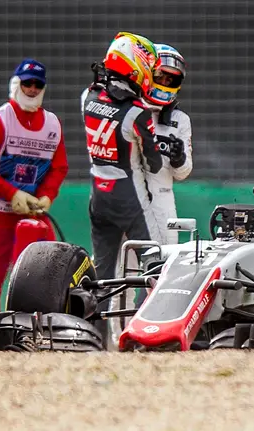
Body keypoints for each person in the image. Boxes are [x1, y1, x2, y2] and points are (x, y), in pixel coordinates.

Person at [0, 58, 69, 349]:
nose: (33, 89)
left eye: (38, 84)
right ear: (17, 84)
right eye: (28, 83)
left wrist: (48, 194)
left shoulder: (52, 123)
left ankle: (42, 333)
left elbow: (59, 167)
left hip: (33, 216)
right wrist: (10, 194)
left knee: (43, 274)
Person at [82, 32, 163, 344]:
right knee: (153, 263)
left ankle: (94, 339)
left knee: (101, 276)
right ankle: (147, 336)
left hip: (97, 197)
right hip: (129, 197)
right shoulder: (137, 113)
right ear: (135, 65)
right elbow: (154, 163)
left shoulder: (86, 97)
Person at [141, 43, 193, 245]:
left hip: (162, 201)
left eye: (170, 79)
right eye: (161, 76)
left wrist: (179, 158)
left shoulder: (181, 120)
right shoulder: (128, 111)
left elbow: (183, 173)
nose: (164, 82)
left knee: (163, 263)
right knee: (120, 265)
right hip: (127, 198)